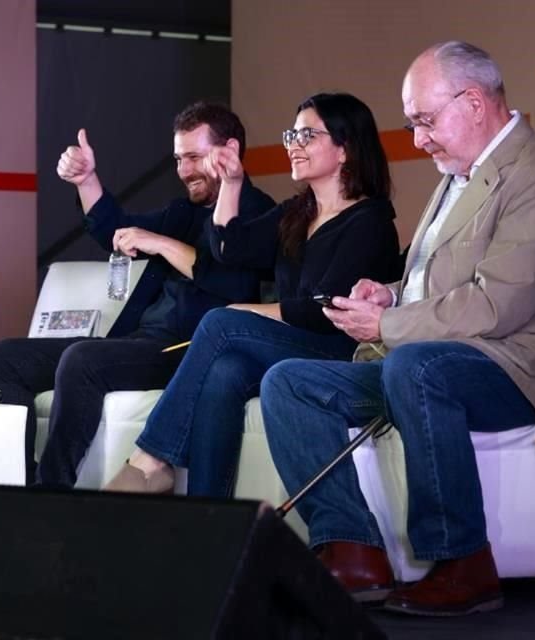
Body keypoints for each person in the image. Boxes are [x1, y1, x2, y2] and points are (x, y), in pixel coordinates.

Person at [261, 41, 535, 615]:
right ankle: (352, 552)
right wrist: (388, 291)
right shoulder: (457, 174)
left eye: (424, 121)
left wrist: (388, 321)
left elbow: (497, 307)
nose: (418, 140)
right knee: (289, 382)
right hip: (442, 357)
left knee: (417, 367)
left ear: (471, 103)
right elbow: (434, 271)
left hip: (521, 363)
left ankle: (464, 563)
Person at [103, 93, 400, 496]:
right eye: (291, 135)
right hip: (295, 344)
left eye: (307, 135)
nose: (293, 145)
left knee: (222, 321)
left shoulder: (371, 219)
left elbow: (325, 309)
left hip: (338, 352)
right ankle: (209, 515)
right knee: (227, 371)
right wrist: (232, 182)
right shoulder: (299, 210)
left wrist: (249, 311)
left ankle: (150, 460)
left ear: (345, 147)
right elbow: (229, 248)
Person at [0, 102, 276, 487]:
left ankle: (50, 492)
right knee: (4, 357)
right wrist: (87, 180)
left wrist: (160, 243)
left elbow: (231, 284)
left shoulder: (260, 213)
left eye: (193, 157)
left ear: (230, 151)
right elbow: (117, 233)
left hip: (191, 350)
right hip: (139, 341)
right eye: (177, 159)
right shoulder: (184, 212)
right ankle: (15, 479)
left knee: (81, 359)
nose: (183, 170)